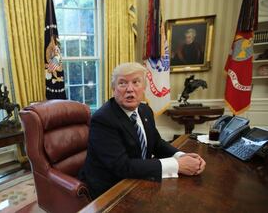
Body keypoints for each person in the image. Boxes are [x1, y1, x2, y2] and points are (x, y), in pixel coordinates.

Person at [78, 62, 206, 199]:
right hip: (111, 189)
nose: (130, 89)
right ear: (113, 89)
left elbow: (157, 143)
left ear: (144, 87)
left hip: (137, 179)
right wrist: (176, 165)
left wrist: (181, 156)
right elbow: (122, 166)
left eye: (136, 82)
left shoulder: (145, 110)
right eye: (122, 83)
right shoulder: (103, 119)